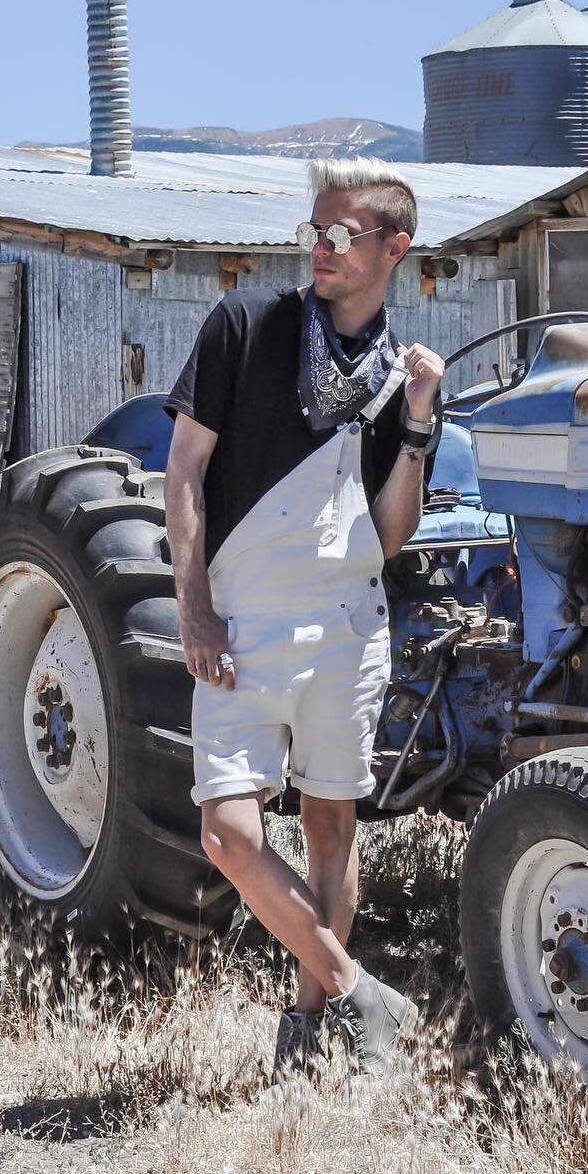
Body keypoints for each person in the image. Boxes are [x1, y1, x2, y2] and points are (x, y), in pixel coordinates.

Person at [163, 159, 444, 1078]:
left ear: (392, 248)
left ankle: (310, 1032)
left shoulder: (402, 375)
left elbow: (393, 534)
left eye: (339, 235)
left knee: (332, 829)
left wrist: (416, 421)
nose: (319, 250)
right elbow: (183, 474)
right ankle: (368, 995)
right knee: (228, 834)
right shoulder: (245, 327)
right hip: (239, 628)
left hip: (346, 624)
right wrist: (194, 607)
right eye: (312, 232)